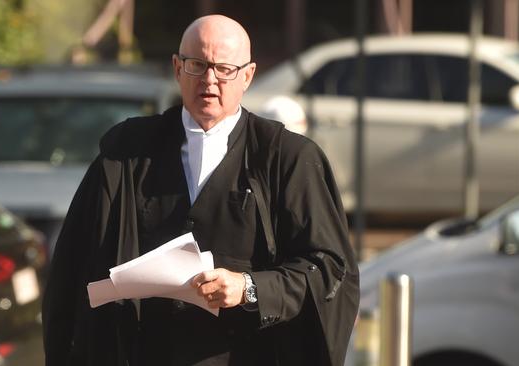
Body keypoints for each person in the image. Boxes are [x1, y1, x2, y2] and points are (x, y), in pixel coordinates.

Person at [43, 14, 359, 366]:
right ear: (177, 69)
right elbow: (72, 266)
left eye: (224, 68)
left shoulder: (287, 159)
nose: (209, 80)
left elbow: (329, 269)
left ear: (248, 76)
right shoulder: (127, 154)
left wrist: (249, 288)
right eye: (197, 65)